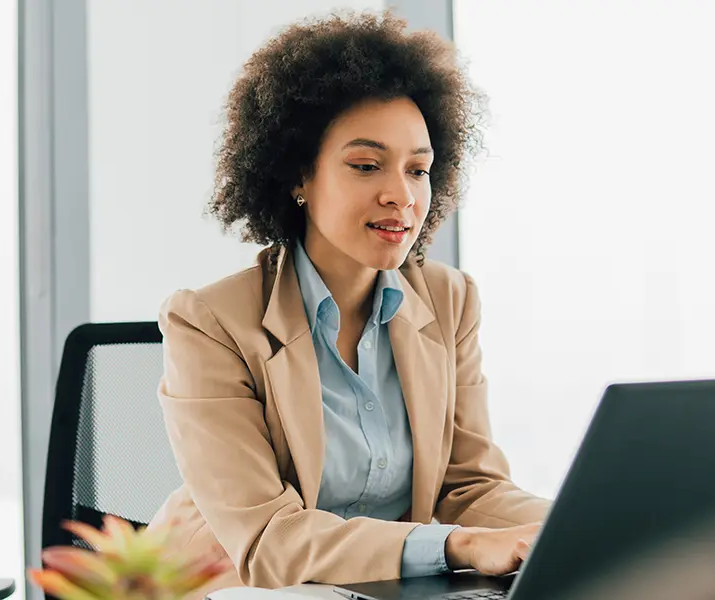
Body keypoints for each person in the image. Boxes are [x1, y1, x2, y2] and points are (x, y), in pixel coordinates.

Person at [148, 10, 549, 597]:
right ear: (298, 177)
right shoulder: (209, 323)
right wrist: (456, 544)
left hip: (374, 588)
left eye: (419, 169)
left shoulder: (450, 301)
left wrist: (567, 524)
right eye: (366, 165)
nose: (401, 195)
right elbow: (267, 540)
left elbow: (470, 489)